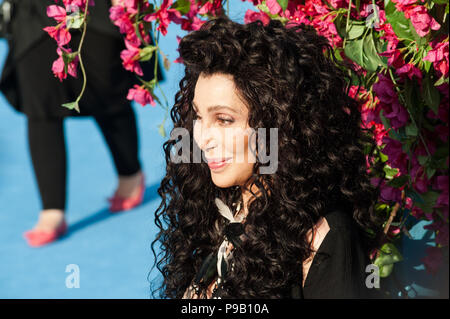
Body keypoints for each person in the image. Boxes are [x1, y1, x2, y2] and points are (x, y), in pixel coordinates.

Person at [150, 16, 386, 299]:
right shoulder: (215, 211)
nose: (202, 139)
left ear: (279, 127)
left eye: (224, 120)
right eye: (199, 116)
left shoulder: (323, 239)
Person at [0, 0, 164, 247]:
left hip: (97, 9)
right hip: (33, 12)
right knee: (40, 105)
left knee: (108, 92)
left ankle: (129, 174)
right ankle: (51, 209)